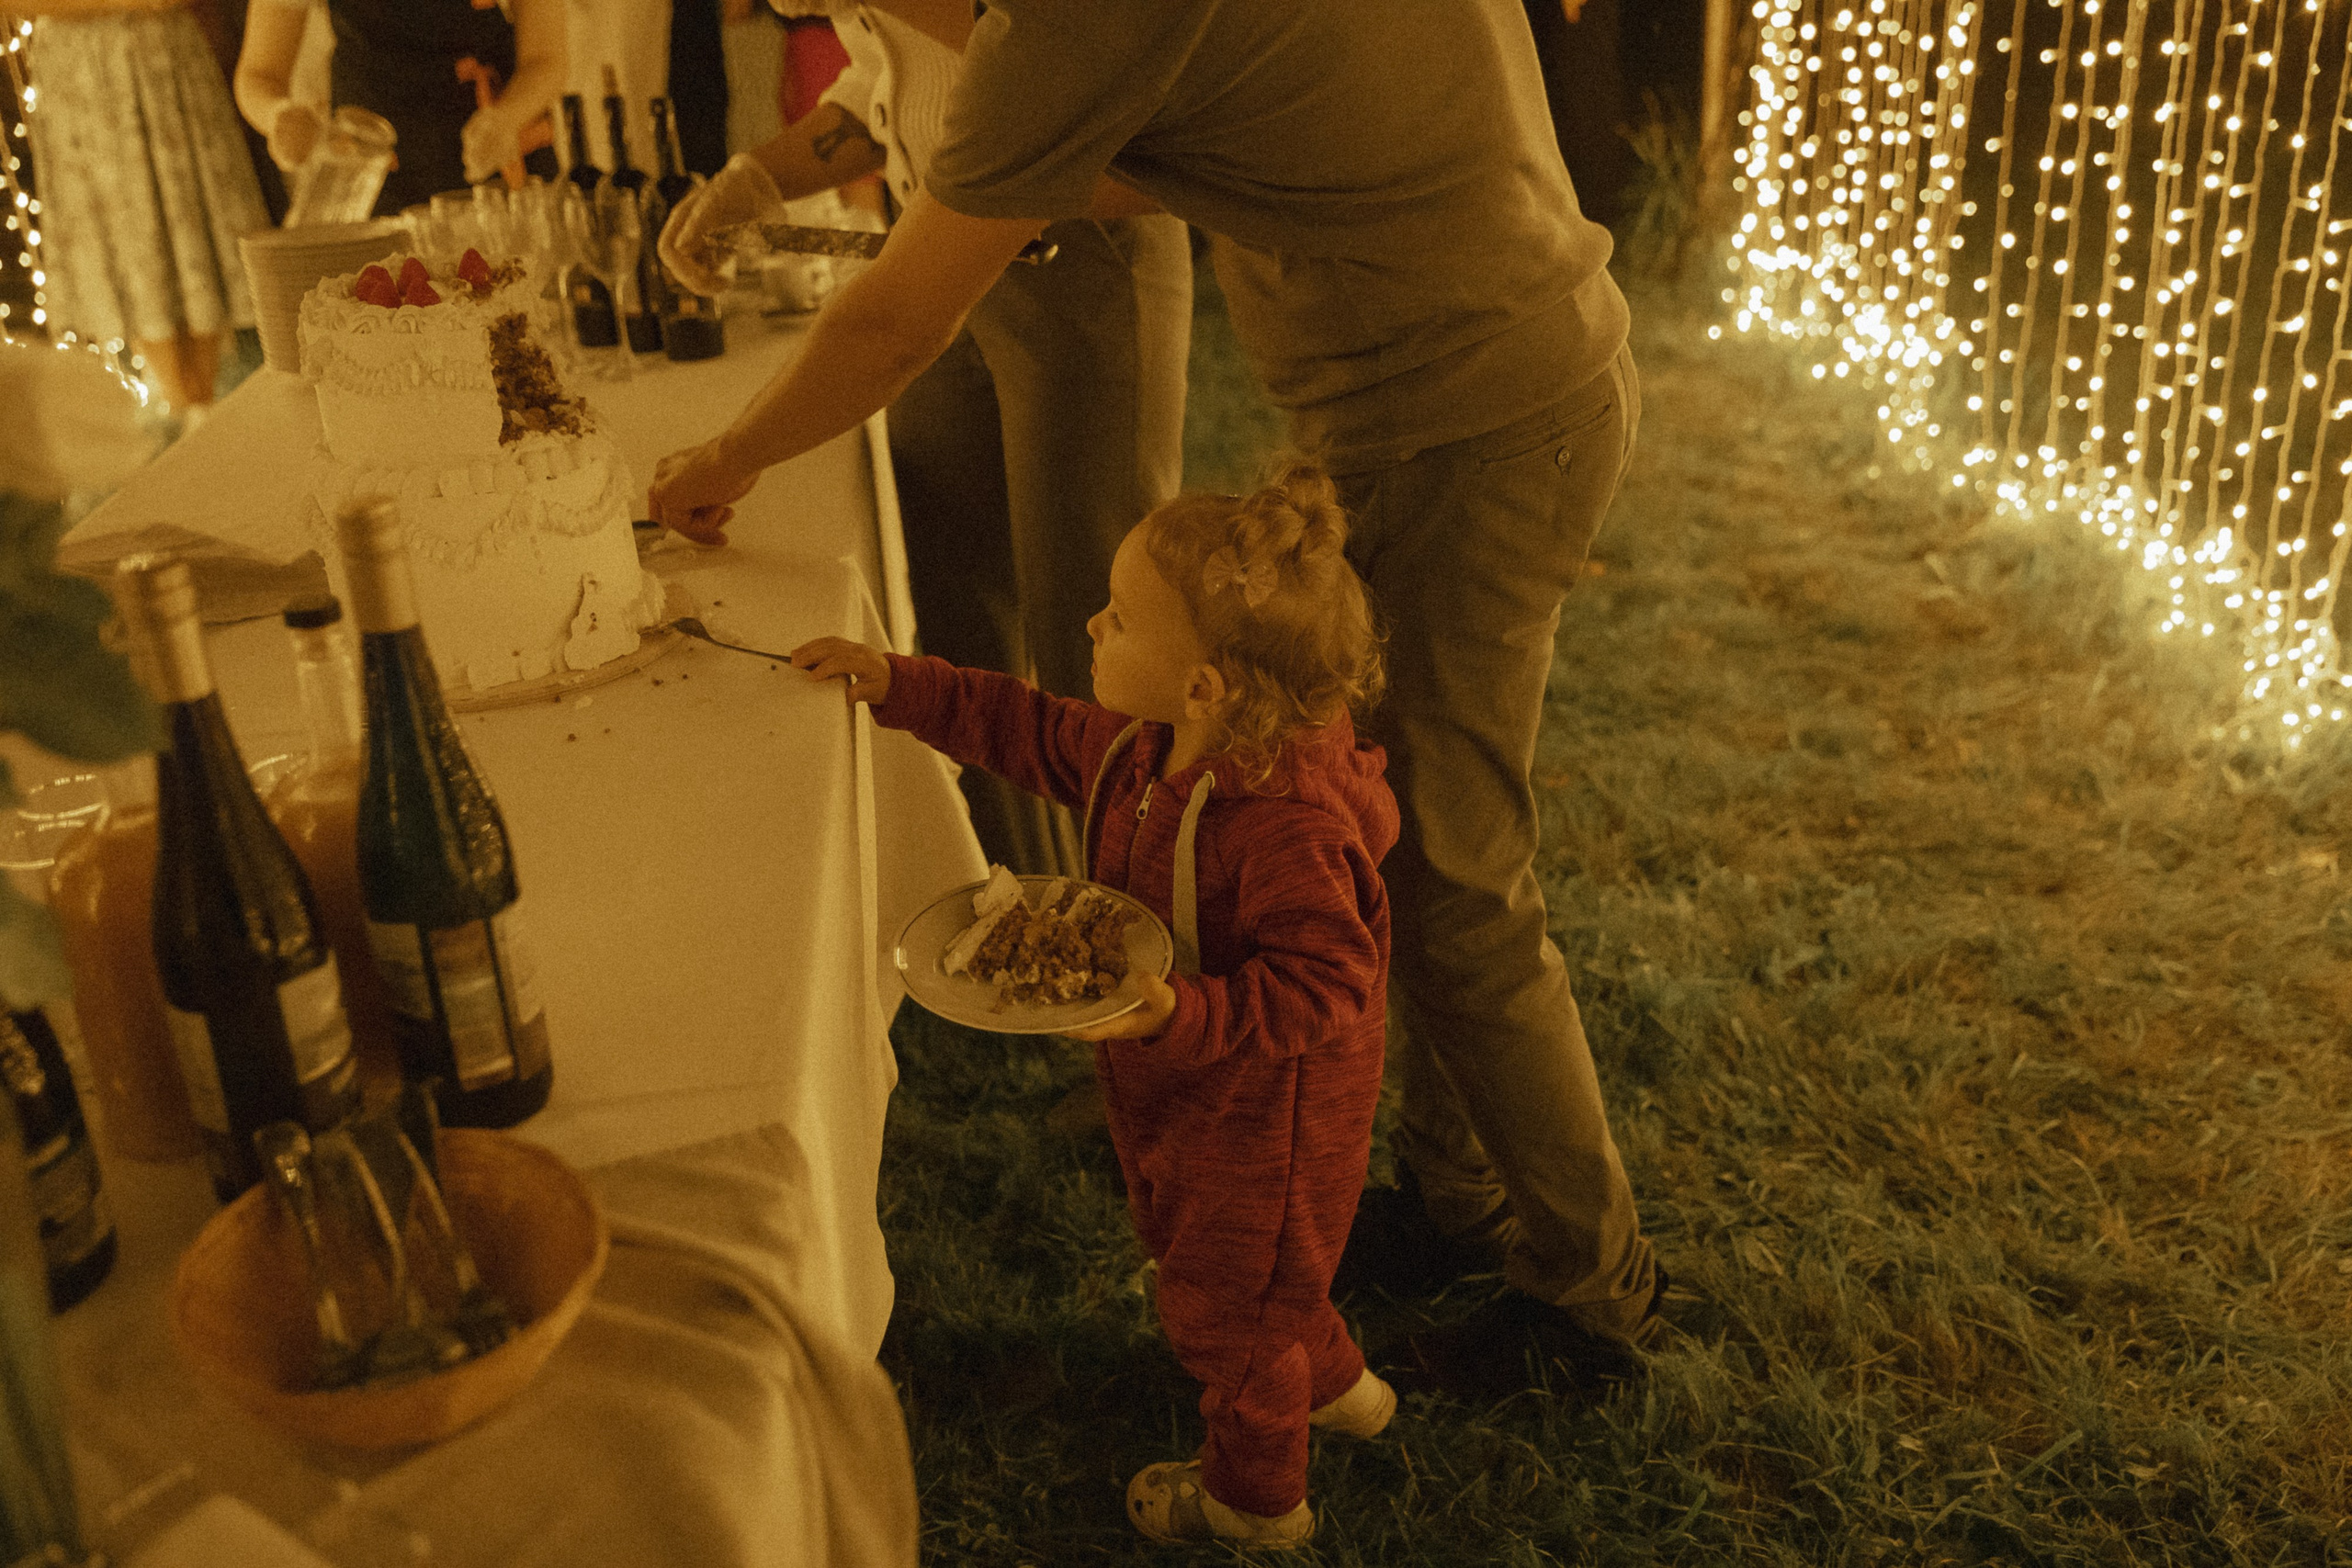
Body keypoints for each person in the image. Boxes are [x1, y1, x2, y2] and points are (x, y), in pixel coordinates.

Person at [645, 0, 1666, 1396]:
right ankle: (1455, 1197)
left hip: (1477, 413)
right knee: (1390, 841)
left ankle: (1590, 1291)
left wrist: (725, 456)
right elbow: (1200, 140)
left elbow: (894, 322)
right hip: (1449, 382)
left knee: (1454, 879)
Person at [790, 468, 1397, 1547]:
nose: (1089, 624)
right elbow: (1023, 727)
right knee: (1262, 1272)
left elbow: (1329, 984)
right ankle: (1343, 1390)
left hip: (1271, 1109)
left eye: (1118, 618)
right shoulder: (1144, 746)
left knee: (1227, 1303)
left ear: (1205, 685)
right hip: (1185, 1082)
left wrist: (1183, 1018)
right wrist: (896, 682)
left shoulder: (1286, 827)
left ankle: (1255, 1502)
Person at [660, 0, 1190, 880]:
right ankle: (1024, 899)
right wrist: (756, 175)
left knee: (1099, 633)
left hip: (1076, 244)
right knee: (958, 612)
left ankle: (1144, 935)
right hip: (937, 233)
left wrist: (734, 454)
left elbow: (1056, 46)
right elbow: (898, 88)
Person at [23, 0, 269, 419]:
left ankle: (200, 405)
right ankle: (185, 407)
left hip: (165, 55)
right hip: (84, 72)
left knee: (188, 225)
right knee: (130, 240)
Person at [232, 0, 564, 216]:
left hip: (496, 162)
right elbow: (259, 76)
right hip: (371, 169)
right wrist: (279, 117)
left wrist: (507, 119)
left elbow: (548, 59)